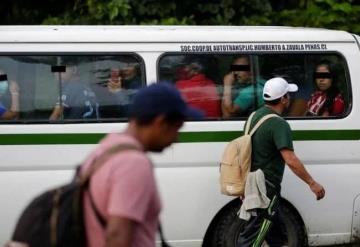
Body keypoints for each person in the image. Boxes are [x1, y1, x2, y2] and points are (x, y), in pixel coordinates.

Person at [81, 83, 203, 247]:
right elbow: (117, 236)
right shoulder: (133, 163)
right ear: (160, 123)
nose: (176, 139)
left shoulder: (106, 148)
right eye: (177, 129)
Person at [237, 77, 325, 247]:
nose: (289, 99)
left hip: (252, 183)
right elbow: (290, 159)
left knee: (276, 234)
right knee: (252, 239)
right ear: (283, 99)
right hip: (265, 189)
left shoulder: (253, 116)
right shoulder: (278, 123)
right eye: (288, 95)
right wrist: (312, 183)